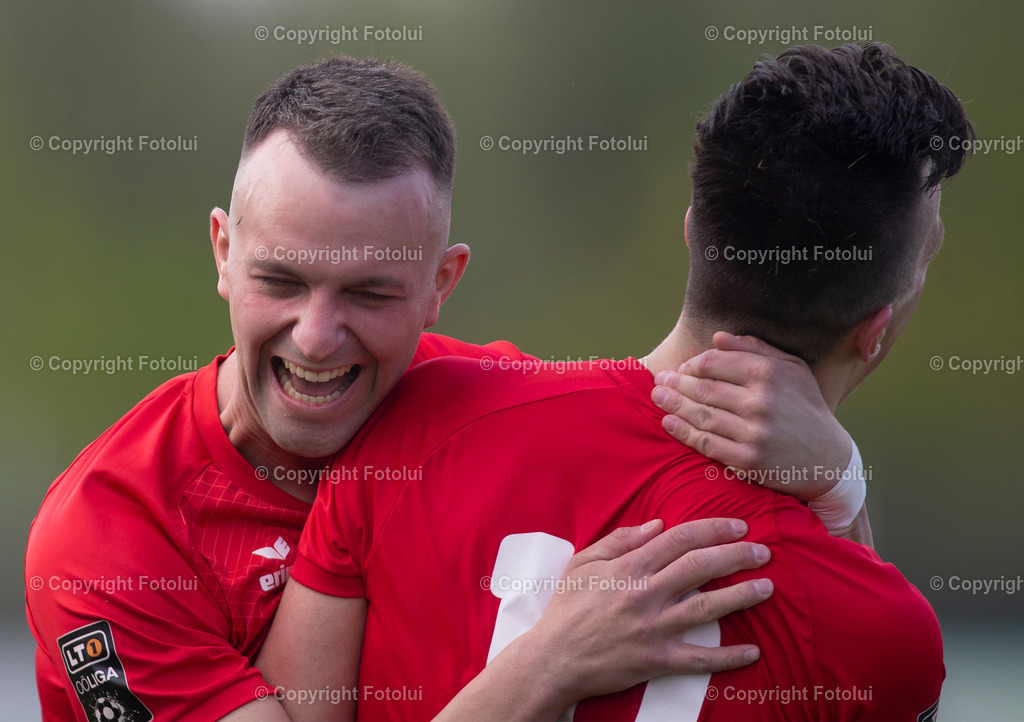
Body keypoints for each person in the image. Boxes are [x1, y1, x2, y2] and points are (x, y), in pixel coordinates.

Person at [24, 56, 855, 721]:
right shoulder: (105, 545)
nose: (316, 337)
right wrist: (549, 668)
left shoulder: (487, 401)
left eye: (370, 294)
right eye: (280, 280)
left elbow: (840, 618)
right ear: (221, 253)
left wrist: (840, 481)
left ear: (441, 284)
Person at [259, 42, 971, 721]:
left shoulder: (415, 415)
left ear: (693, 230)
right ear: (876, 326)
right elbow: (851, 622)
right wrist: (843, 483)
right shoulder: (888, 635)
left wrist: (840, 482)